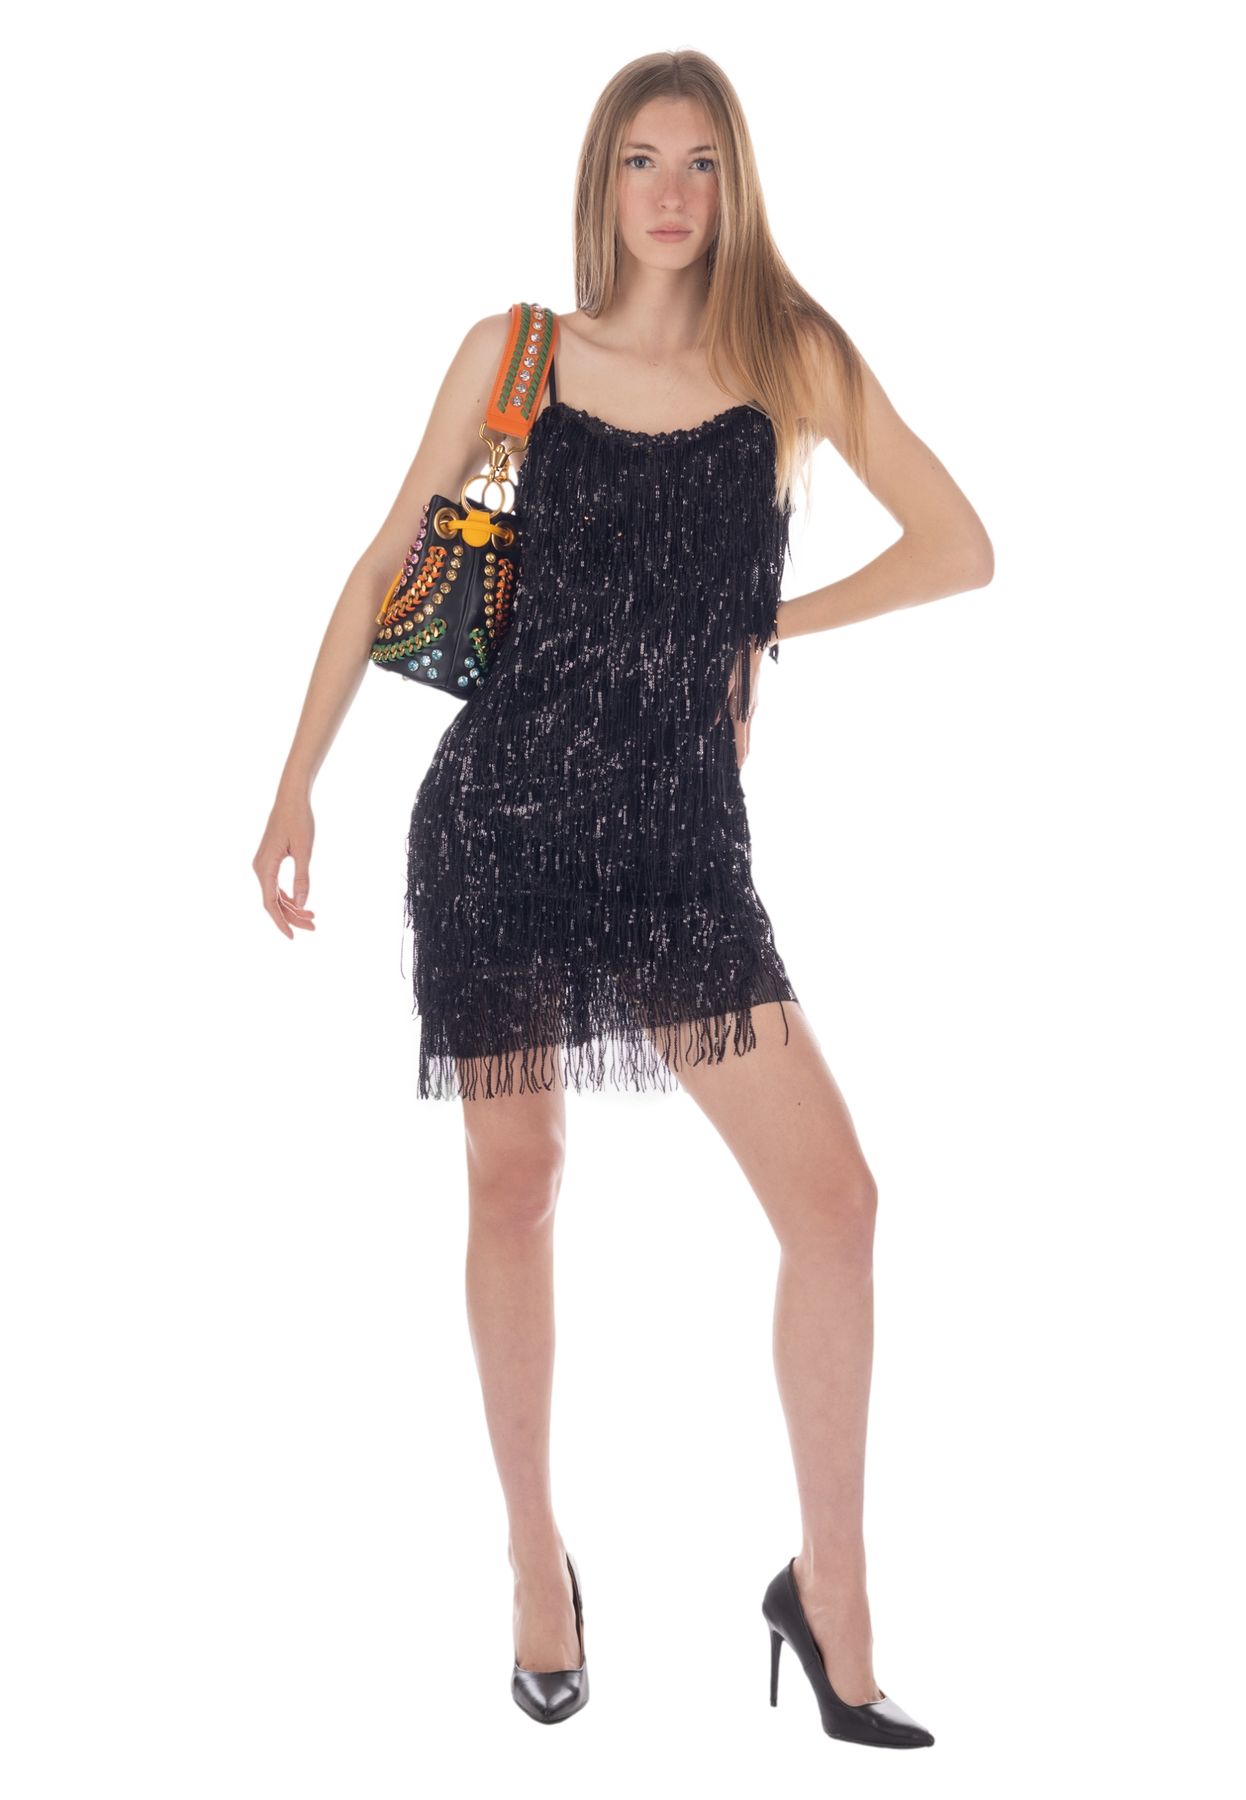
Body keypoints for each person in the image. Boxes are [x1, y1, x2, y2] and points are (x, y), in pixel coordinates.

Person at [253, 50, 992, 1746]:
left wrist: (764, 627)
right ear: (601, 182)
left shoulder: (791, 357)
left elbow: (958, 546)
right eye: (642, 161)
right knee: (515, 1187)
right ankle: (535, 1563)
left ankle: (829, 1588)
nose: (670, 193)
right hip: (497, 825)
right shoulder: (517, 351)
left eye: (701, 162)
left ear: (736, 185)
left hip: (678, 847)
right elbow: (381, 563)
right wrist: (296, 782)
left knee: (836, 1205)